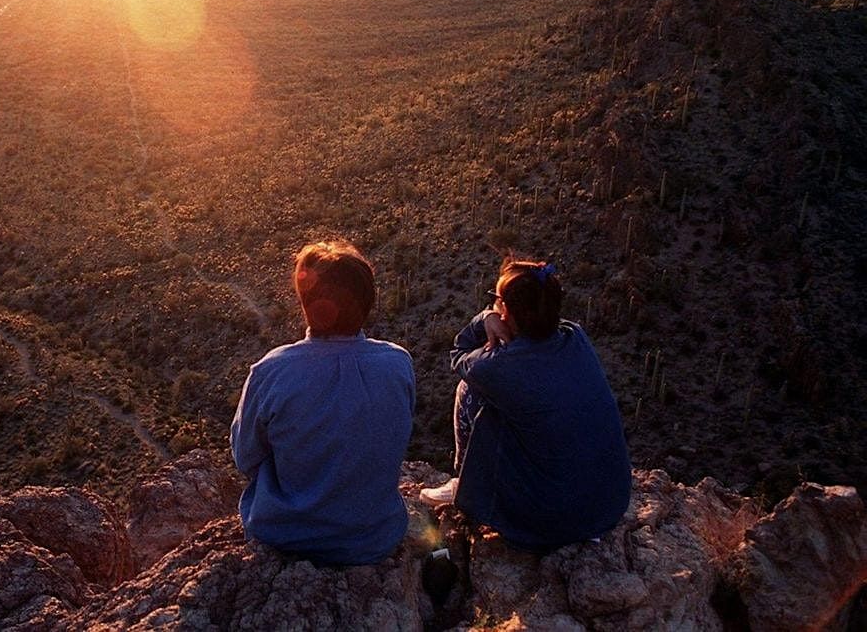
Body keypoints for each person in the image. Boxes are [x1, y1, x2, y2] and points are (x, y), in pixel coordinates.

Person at [420, 258, 631, 553]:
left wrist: (483, 320)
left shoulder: (498, 366)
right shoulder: (576, 337)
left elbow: (459, 353)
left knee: (469, 389)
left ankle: (463, 484)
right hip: (608, 506)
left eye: (495, 301)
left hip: (546, 522)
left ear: (505, 311)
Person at [230, 240, 416, 565]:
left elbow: (246, 457)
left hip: (286, 536)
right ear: (368, 302)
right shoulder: (399, 363)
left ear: (306, 305)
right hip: (375, 536)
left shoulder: (272, 371)